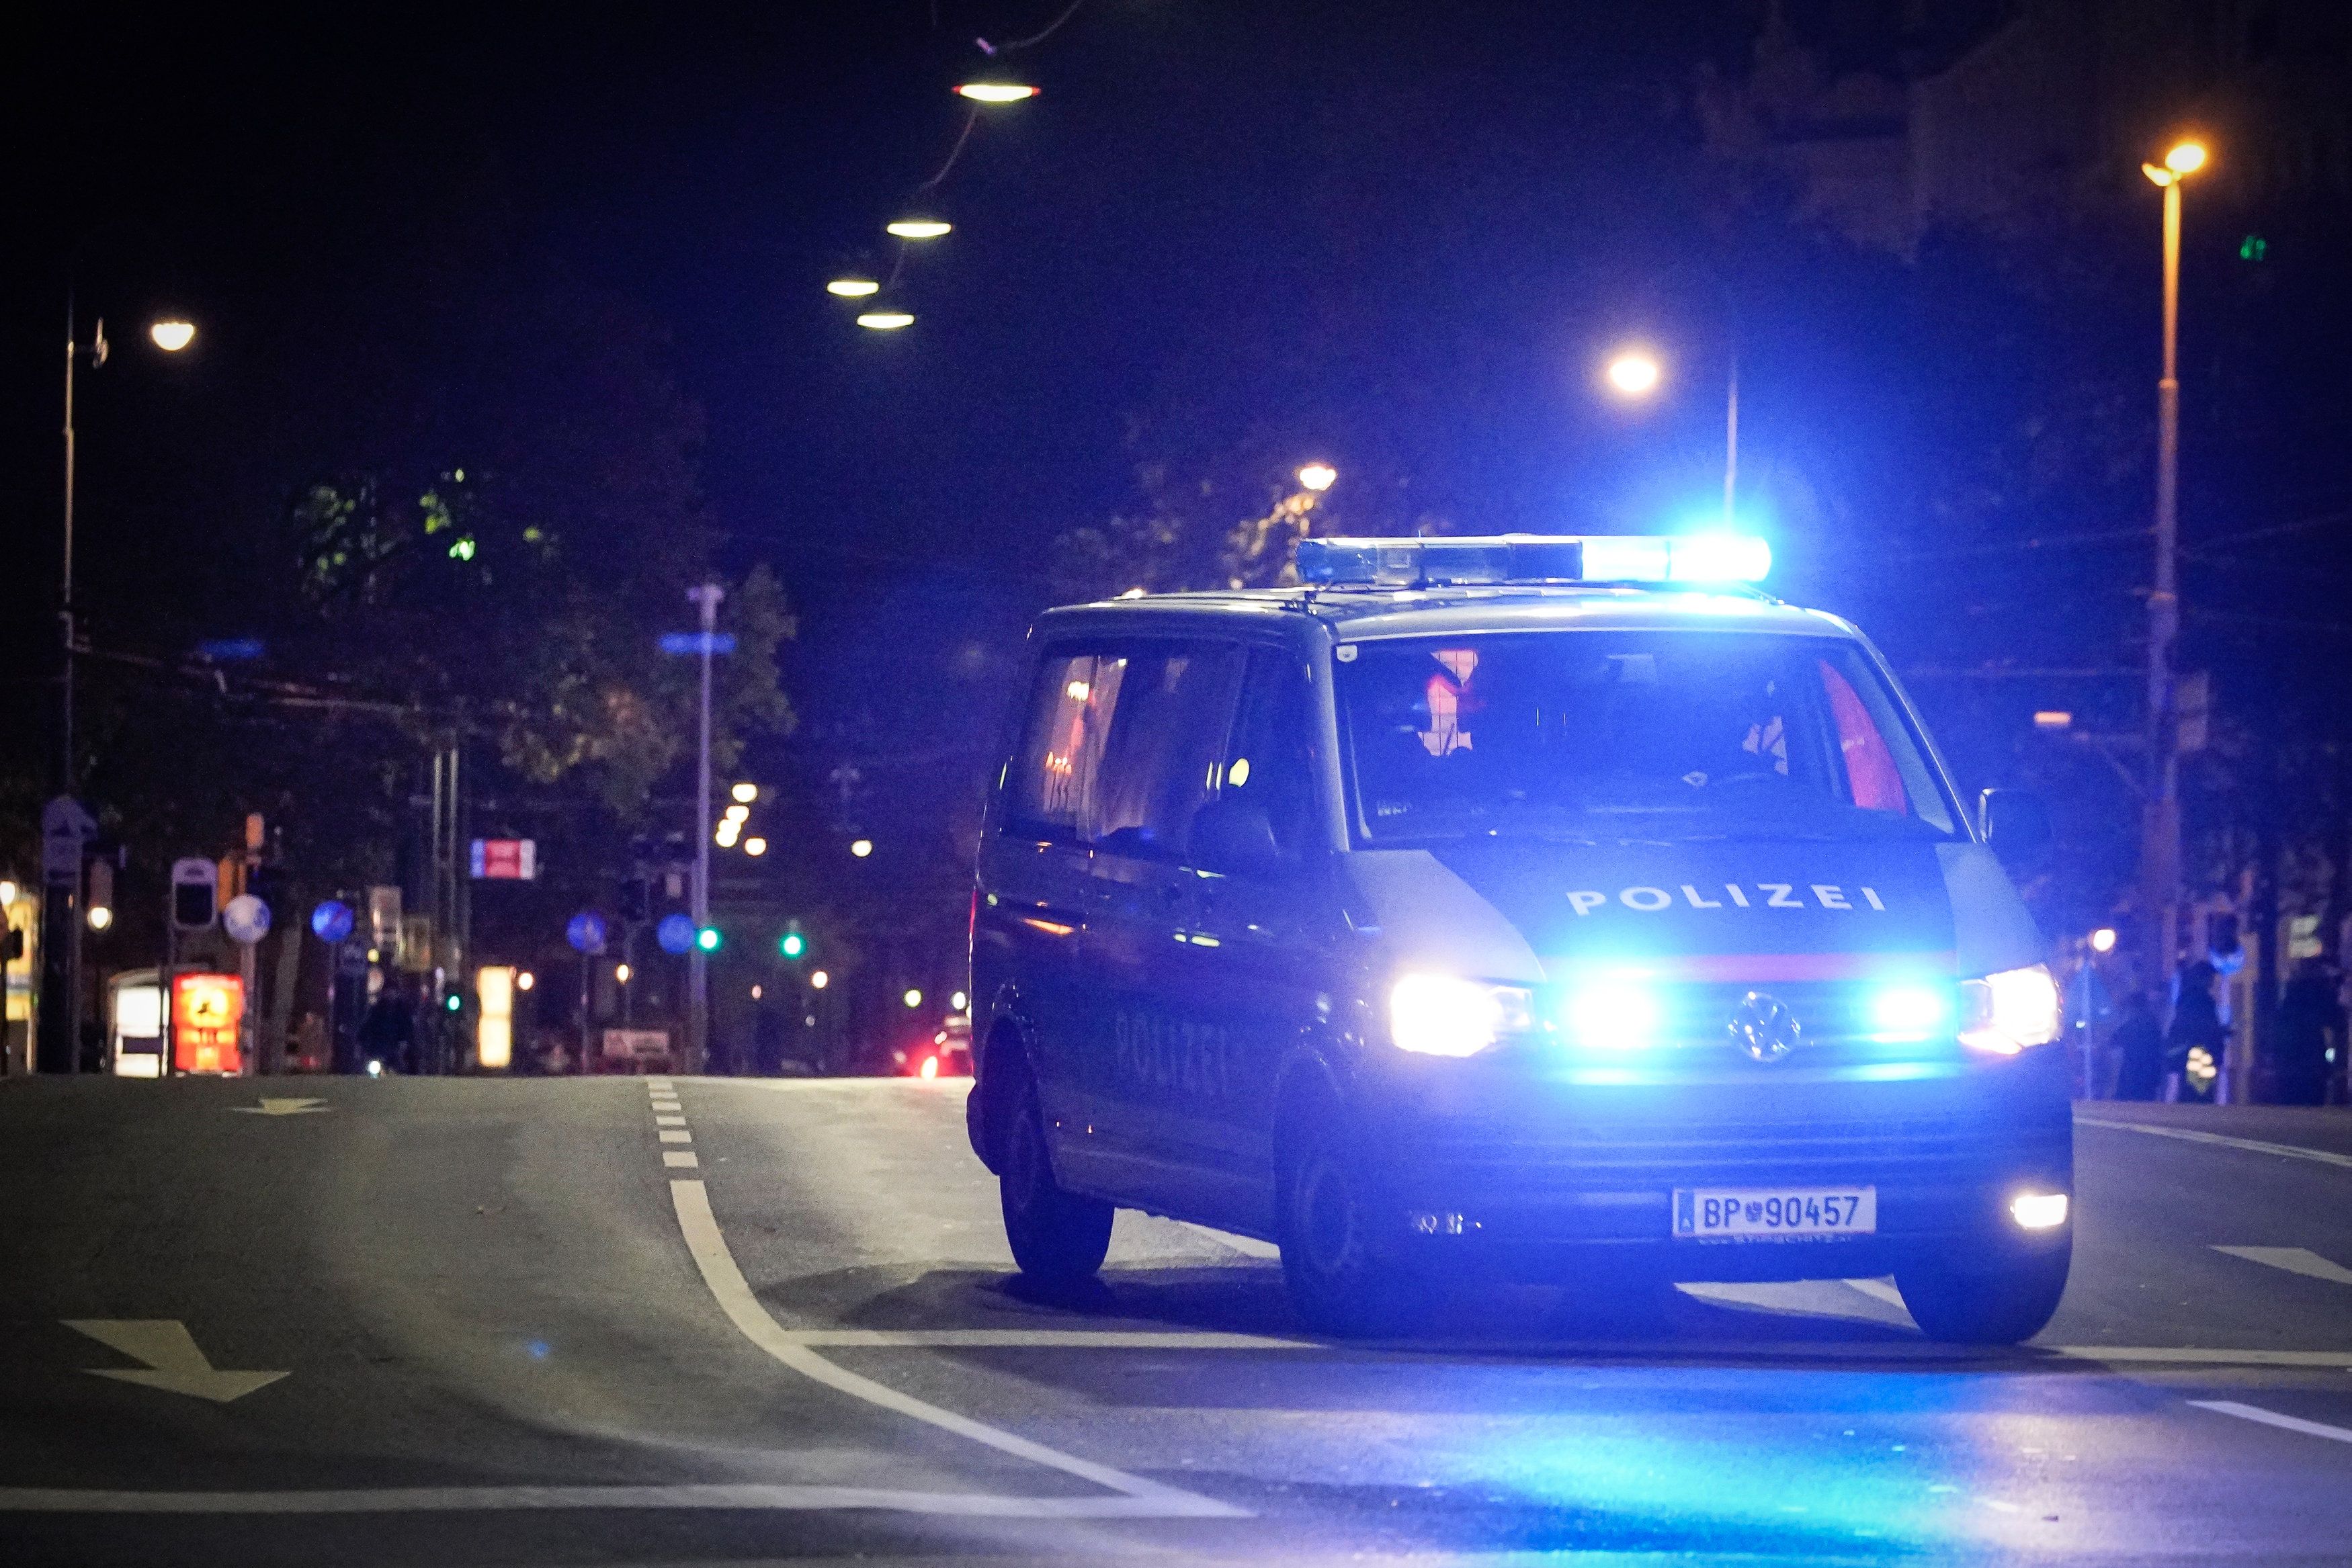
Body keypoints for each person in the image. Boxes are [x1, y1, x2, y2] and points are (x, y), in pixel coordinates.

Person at [2270, 960, 2343, 1106]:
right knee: (2313, 1097)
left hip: (2294, 1057)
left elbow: (2281, 1025)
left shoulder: (2292, 997)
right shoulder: (2318, 994)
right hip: (2311, 1054)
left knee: (2294, 1099)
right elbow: (2334, 1019)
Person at [2165, 959, 2224, 1102]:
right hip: (2200, 1056)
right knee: (2200, 1097)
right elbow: (2205, 1029)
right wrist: (2221, 1035)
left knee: (2189, 1094)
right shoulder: (2202, 1001)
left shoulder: (2187, 999)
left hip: (2190, 1055)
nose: (2213, 982)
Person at [2109, 989, 2165, 1100]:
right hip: (2150, 1076)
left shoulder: (2132, 1025)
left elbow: (2112, 1041)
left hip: (2131, 1076)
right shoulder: (2154, 1025)